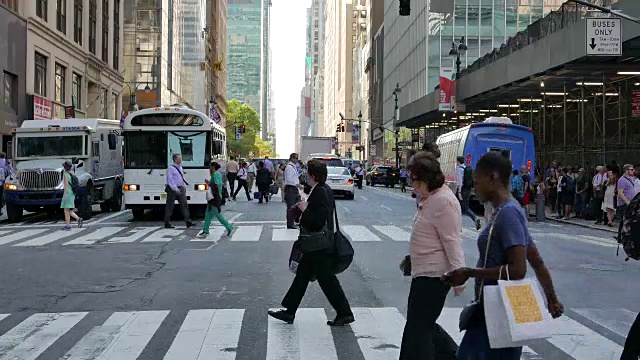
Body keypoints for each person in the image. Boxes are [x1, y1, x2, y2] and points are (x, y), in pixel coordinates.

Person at [443, 152, 563, 359]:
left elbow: (518, 270)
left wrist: (470, 272)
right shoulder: (506, 210)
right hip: (490, 313)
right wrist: (551, 298)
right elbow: (536, 260)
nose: (475, 186)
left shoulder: (508, 213)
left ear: (493, 178)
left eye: (477, 180)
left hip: (499, 314)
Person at [268, 160, 354, 326]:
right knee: (304, 275)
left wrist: (303, 209)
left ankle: (344, 312)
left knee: (326, 280)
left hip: (319, 245)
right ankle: (289, 311)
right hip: (320, 244)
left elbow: (317, 220)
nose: (305, 175)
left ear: (313, 175)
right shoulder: (323, 189)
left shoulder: (321, 191)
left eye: (307, 173)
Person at [399, 156, 464, 360]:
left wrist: (458, 273)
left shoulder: (443, 201)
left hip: (434, 276)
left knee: (417, 331)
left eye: (417, 181)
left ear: (429, 179)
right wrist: (413, 257)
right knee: (423, 326)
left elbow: (451, 240)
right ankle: (456, 356)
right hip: (424, 272)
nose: (414, 186)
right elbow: (429, 236)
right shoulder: (432, 198)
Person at [198, 162, 233, 238]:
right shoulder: (215, 174)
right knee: (208, 214)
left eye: (210, 166)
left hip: (215, 197)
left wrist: (209, 183)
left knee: (217, 214)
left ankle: (229, 227)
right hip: (213, 197)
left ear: (213, 167)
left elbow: (217, 185)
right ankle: (205, 230)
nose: (209, 168)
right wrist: (209, 183)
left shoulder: (216, 174)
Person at [165, 154, 195, 229]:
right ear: (175, 160)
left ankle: (188, 221)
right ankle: (167, 222)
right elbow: (170, 180)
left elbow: (181, 178)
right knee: (170, 206)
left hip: (181, 188)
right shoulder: (170, 168)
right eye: (179, 158)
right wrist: (175, 189)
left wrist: (183, 186)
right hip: (172, 189)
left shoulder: (180, 167)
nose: (181, 160)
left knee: (184, 205)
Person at [456, 156, 482, 230]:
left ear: (458, 161)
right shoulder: (466, 168)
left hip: (462, 189)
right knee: (464, 206)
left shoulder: (459, 169)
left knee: (459, 207)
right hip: (468, 189)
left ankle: (473, 218)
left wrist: (459, 191)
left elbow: (460, 182)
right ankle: (474, 218)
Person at [61, 161, 82, 230]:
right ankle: (77, 219)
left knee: (66, 210)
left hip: (68, 194)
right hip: (72, 193)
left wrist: (64, 196)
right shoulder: (72, 173)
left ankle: (68, 226)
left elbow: (66, 186)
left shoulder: (65, 174)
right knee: (68, 210)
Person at [284, 153, 302, 229]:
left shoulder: (293, 167)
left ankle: (295, 221)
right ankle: (290, 224)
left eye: (297, 158)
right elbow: (288, 179)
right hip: (290, 188)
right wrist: (297, 184)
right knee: (291, 206)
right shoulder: (289, 167)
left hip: (294, 188)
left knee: (298, 205)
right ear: (291, 158)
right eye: (295, 158)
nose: (296, 160)